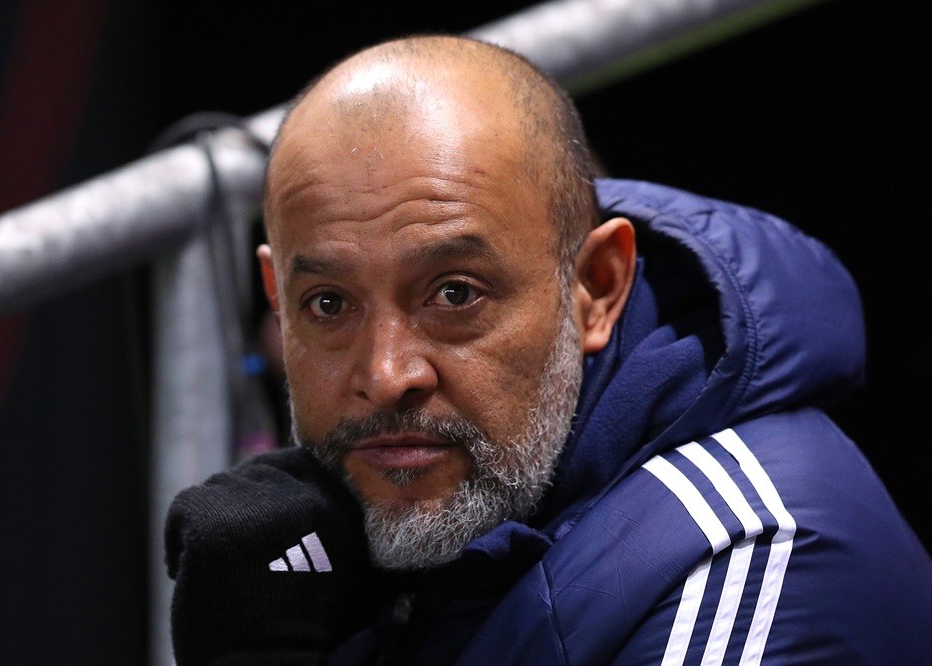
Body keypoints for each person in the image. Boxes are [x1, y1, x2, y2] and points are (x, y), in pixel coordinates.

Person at [163, 34, 932, 665]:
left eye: (455, 293)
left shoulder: (751, 559)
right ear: (276, 302)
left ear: (596, 288)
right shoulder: (406, 540)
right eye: (328, 304)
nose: (386, 374)